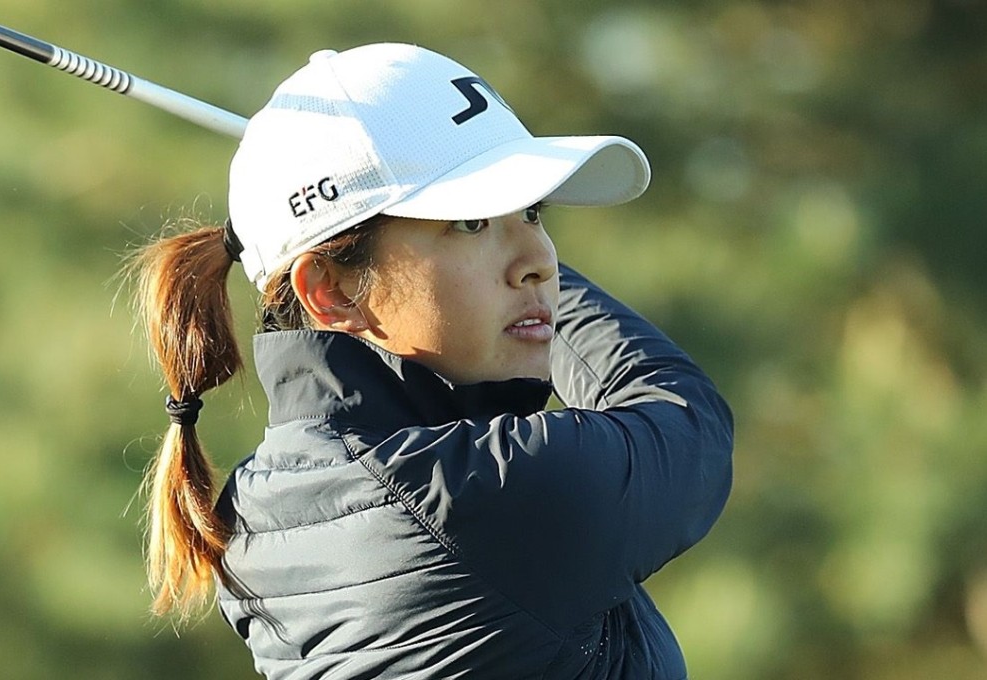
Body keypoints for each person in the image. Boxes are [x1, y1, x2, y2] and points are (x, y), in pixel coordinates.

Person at [131, 43, 733, 680]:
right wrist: (535, 294)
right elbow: (683, 421)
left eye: (533, 212)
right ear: (331, 290)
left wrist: (510, 272)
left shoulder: (258, 508)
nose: (542, 258)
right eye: (470, 222)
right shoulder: (479, 493)